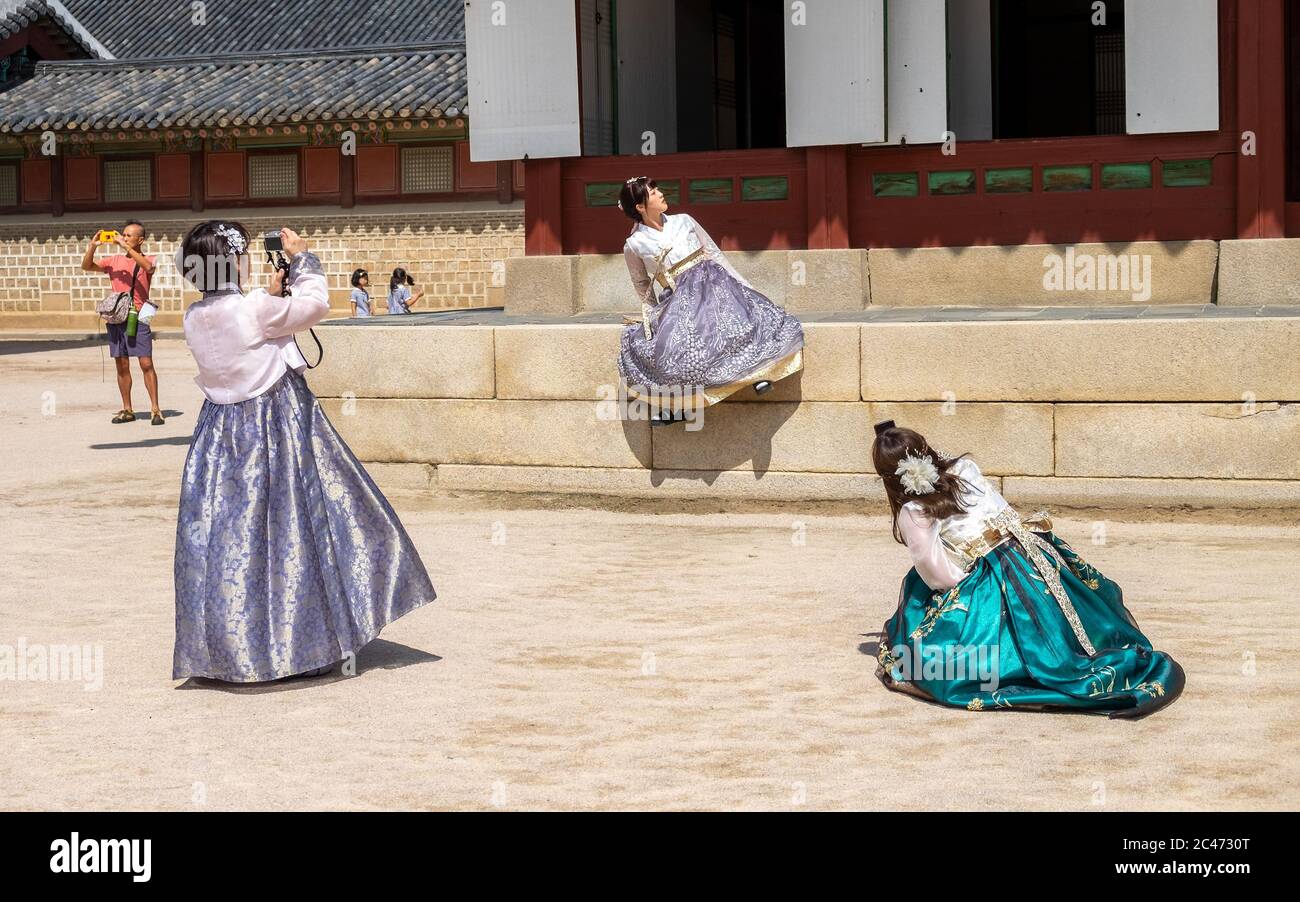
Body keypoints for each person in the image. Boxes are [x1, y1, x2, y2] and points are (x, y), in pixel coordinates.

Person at [171, 221, 437, 683]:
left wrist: (272, 296)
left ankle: (230, 647)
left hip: (219, 436)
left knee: (234, 539)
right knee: (304, 524)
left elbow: (247, 332)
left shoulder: (194, 316)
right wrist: (304, 260)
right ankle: (305, 642)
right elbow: (314, 306)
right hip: (277, 425)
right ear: (233, 261)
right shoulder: (256, 308)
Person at [871, 421, 1184, 717]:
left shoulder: (914, 511)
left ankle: (1030, 663)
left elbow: (934, 570)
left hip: (992, 575)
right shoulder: (964, 469)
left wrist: (958, 593)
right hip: (1030, 553)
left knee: (927, 643)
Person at [616, 176, 804, 425]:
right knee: (677, 351)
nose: (660, 193)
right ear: (640, 206)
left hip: (715, 284)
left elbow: (713, 252)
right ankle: (679, 406)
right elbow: (641, 283)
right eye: (652, 192)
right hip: (680, 299)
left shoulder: (684, 220)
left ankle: (761, 375)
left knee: (752, 324)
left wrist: (743, 285)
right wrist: (652, 316)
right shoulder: (634, 244)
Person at [82, 219, 164, 425]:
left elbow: (148, 267)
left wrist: (126, 247)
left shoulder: (150, 258)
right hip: (117, 315)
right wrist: (92, 246)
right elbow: (87, 266)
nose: (124, 237)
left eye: (129, 235)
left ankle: (155, 409)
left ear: (140, 239)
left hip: (140, 314)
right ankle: (127, 409)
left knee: (146, 362)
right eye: (124, 234)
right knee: (122, 364)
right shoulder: (114, 260)